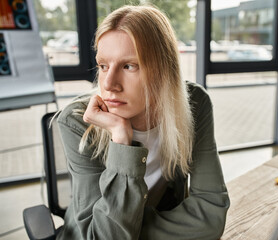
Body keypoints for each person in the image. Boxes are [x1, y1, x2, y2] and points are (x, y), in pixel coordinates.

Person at [56, 5, 230, 240]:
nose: (109, 84)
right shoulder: (77, 122)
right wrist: (121, 138)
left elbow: (211, 212)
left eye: (129, 66)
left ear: (163, 70)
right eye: (103, 66)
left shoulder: (194, 104)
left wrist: (128, 230)